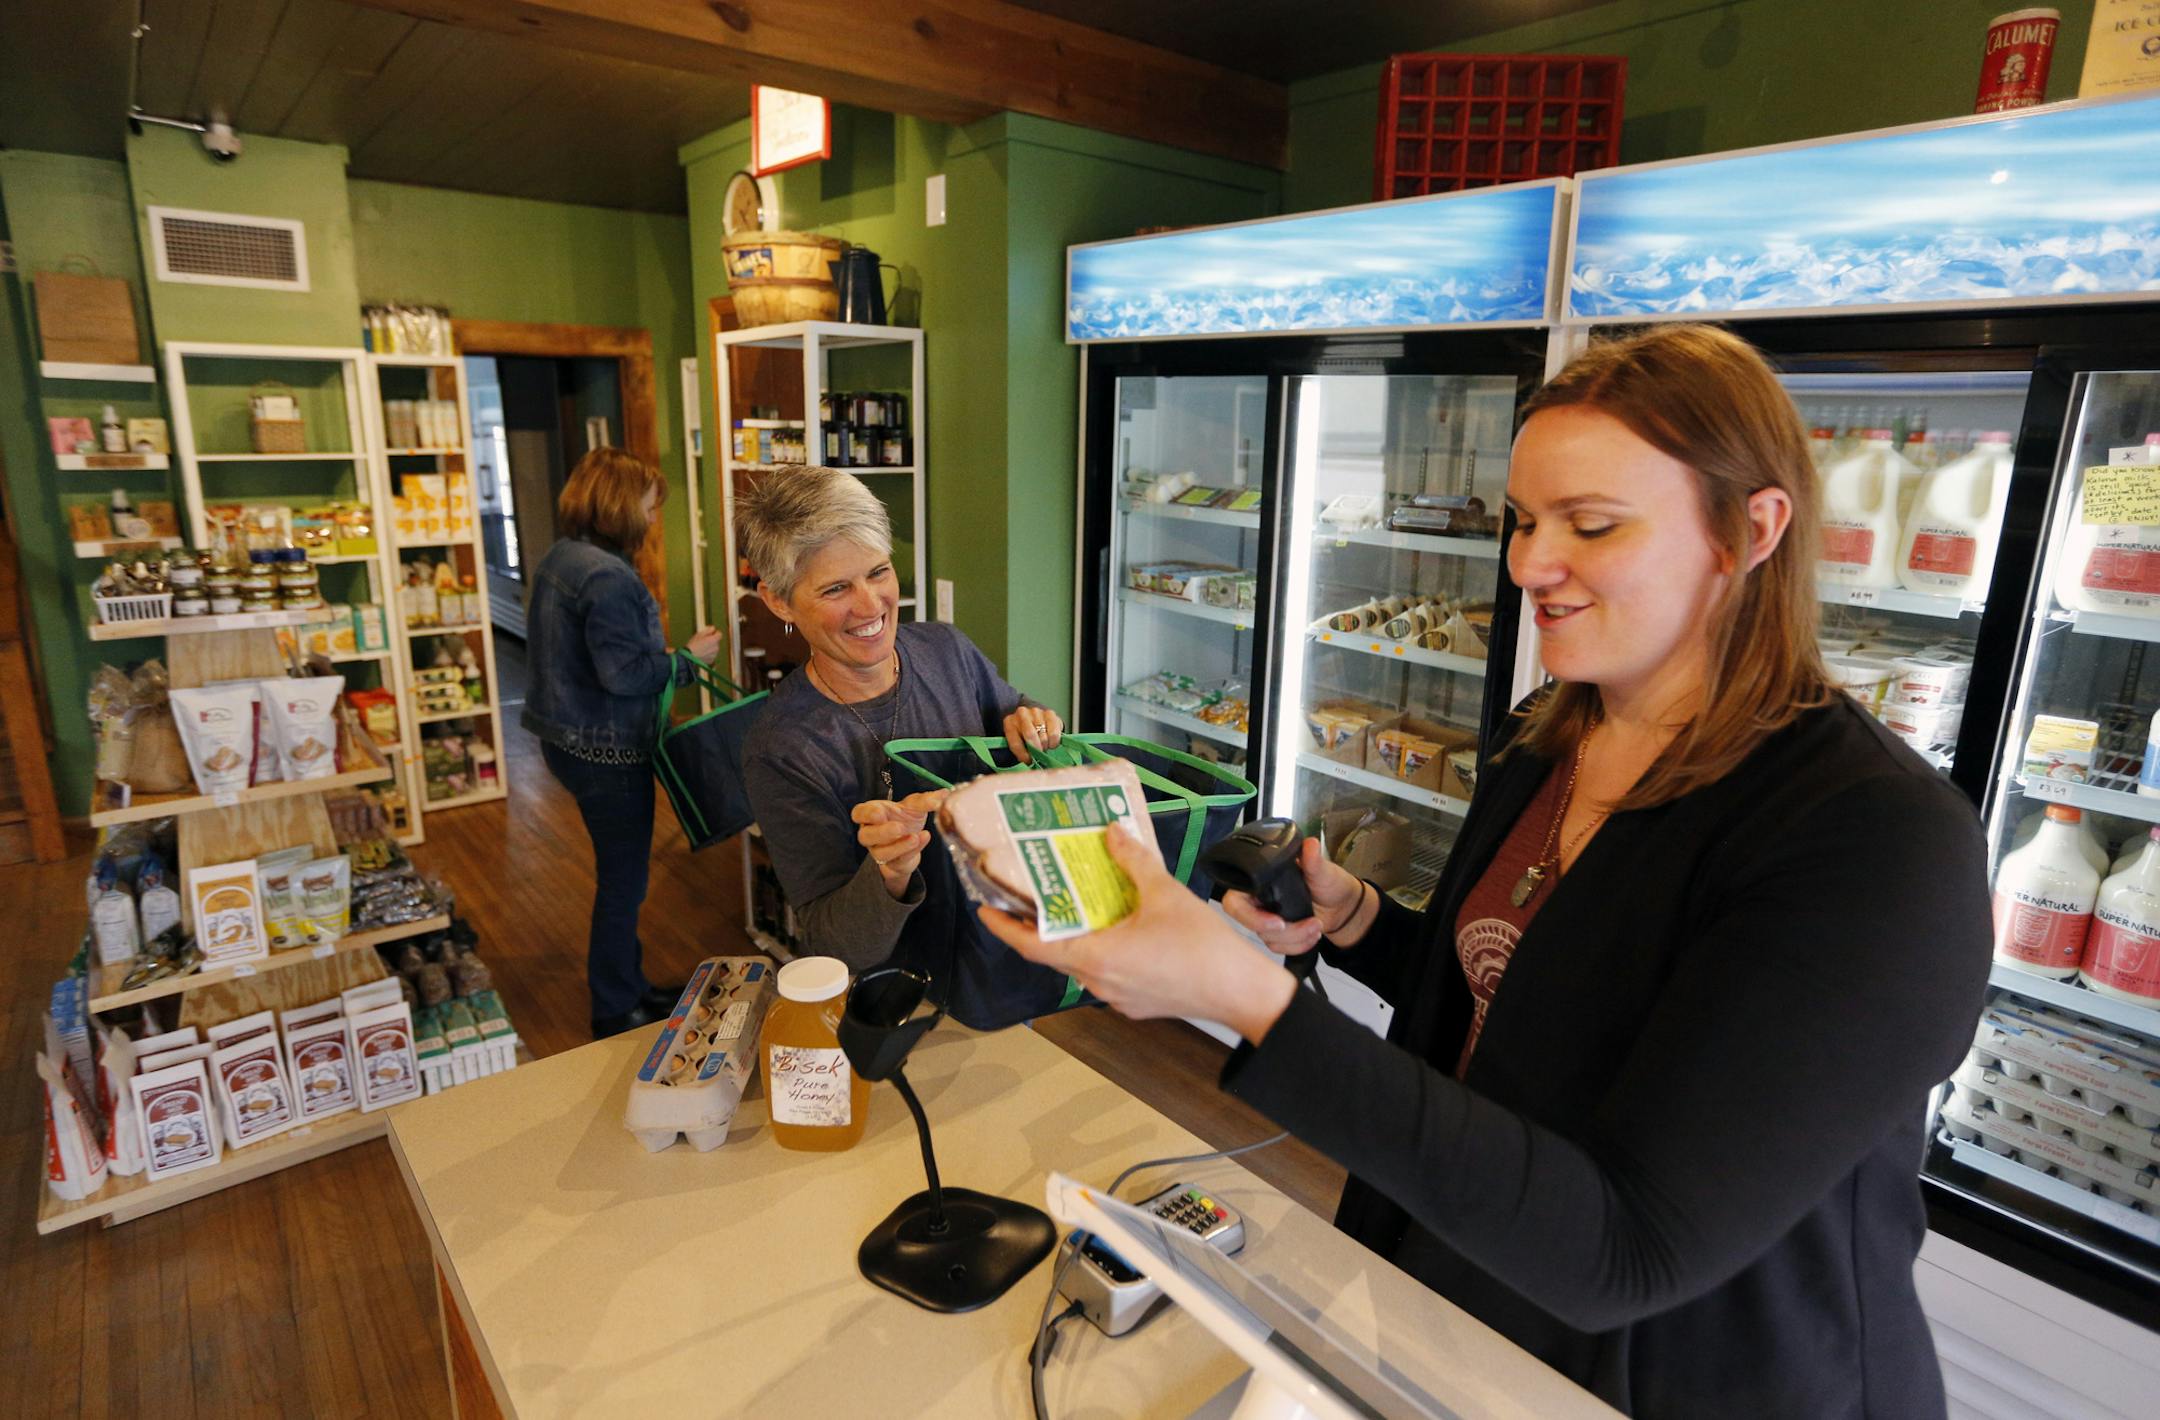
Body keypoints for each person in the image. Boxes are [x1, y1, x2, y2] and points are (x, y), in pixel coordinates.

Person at [981, 325, 1992, 1418]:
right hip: (1472, 1304)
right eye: (1522, 519)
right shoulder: (1545, 737)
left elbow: (1629, 1248)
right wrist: (1363, 919)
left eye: (1590, 525)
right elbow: (1525, 998)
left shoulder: (1873, 841)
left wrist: (1243, 999)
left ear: (1751, 530)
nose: (1528, 563)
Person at [738, 466, 1068, 1024]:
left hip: (1002, 968)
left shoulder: (946, 649)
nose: (870, 606)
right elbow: (832, 946)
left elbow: (1009, 707)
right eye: (836, 588)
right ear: (779, 603)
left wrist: (1030, 720)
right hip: (902, 1008)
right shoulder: (784, 748)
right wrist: (889, 873)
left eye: (879, 572)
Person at [523, 447, 721, 1038]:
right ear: (621, 504)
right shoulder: (608, 577)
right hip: (605, 751)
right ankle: (615, 1008)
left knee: (620, 874)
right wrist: (688, 660)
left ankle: (631, 986)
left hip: (565, 738)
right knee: (624, 881)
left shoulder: (564, 557)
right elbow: (625, 676)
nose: (653, 515)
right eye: (649, 503)